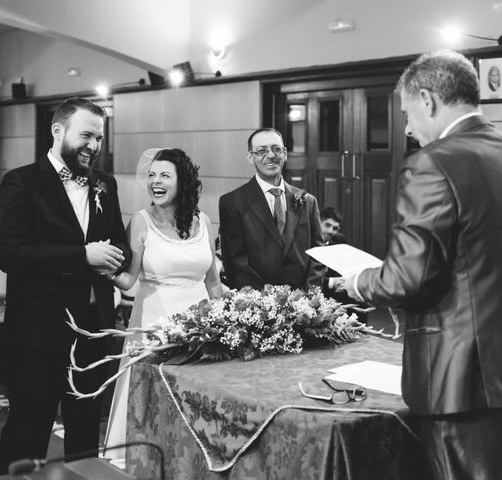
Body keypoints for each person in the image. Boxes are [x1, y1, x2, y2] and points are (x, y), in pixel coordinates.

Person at [342, 50, 502, 479]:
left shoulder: (433, 163)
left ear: (428, 100)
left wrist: (360, 281)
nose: (409, 129)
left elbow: (408, 277)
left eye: (408, 114)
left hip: (459, 379)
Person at [0, 97, 130, 475]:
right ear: (58, 130)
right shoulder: (21, 181)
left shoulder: (106, 183)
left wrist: (116, 257)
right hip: (39, 327)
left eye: (100, 138)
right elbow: (11, 254)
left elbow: (117, 241)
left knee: (86, 430)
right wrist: (82, 256)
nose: (94, 146)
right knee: (29, 428)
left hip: (93, 325)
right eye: (86, 135)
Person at [106, 148, 223, 460]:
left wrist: (226, 323)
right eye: (152, 175)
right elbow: (129, 280)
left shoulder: (204, 221)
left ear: (182, 182)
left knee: (194, 398)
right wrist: (103, 271)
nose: (155, 181)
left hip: (199, 328)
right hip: (153, 324)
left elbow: (212, 282)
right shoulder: (141, 222)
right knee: (152, 400)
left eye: (164, 175)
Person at [219, 127, 325, 291]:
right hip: (256, 303)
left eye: (276, 149)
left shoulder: (308, 202)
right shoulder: (232, 202)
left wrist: (308, 295)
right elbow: (235, 261)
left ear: (285, 153)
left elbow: (318, 255)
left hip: (302, 302)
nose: (270, 155)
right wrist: (263, 303)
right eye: (262, 151)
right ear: (250, 157)